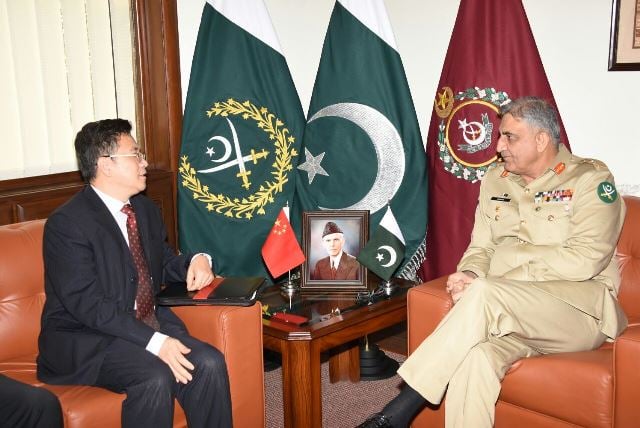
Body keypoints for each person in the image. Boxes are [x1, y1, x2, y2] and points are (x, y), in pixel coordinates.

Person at [358, 96, 627, 428]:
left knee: (484, 294)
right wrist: (469, 271)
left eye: (510, 137)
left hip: (578, 314)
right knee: (475, 357)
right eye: (500, 135)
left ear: (541, 139)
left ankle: (397, 412)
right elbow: (481, 246)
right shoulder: (496, 180)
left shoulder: (590, 180)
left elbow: (586, 259)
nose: (499, 146)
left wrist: (502, 281)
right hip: (509, 313)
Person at [37, 119, 232, 428]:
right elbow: (88, 305)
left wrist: (197, 260)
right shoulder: (68, 224)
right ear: (106, 165)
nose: (144, 163)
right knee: (153, 376)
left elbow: (162, 259)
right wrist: (156, 342)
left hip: (144, 324)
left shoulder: (144, 209)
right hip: (88, 339)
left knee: (209, 362)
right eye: (135, 154)